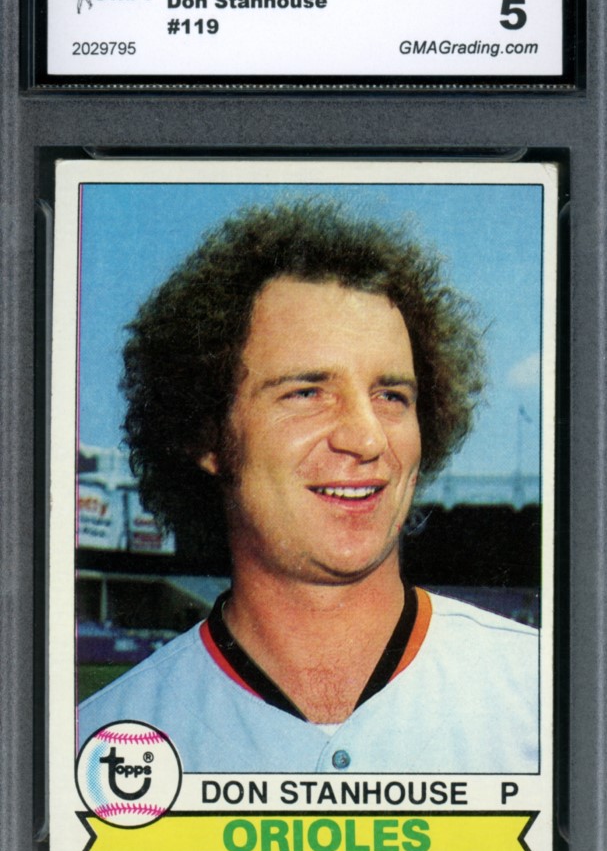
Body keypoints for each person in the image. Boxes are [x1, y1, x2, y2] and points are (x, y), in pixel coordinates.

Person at [78, 200, 538, 773]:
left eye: (391, 396)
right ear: (207, 434)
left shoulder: (548, 699)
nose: (367, 438)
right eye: (307, 393)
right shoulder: (99, 750)